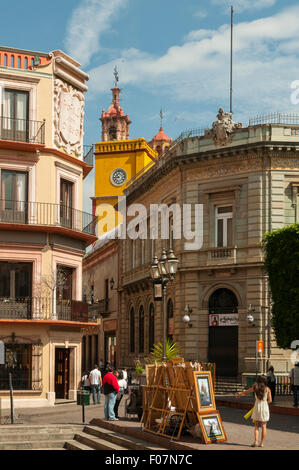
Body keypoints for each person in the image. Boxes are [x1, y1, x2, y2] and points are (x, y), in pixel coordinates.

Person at [236, 375, 272, 448]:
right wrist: (265, 402)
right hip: (264, 406)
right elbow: (270, 400)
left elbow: (246, 392)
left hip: (257, 406)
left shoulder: (255, 387)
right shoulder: (267, 389)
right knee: (264, 426)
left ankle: (255, 441)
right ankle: (261, 443)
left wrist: (239, 394)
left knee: (256, 425)